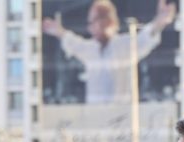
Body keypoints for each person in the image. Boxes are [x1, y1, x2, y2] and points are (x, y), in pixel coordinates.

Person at [42, 0, 176, 105]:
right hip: (95, 118)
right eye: (91, 22)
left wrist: (160, 21)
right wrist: (57, 31)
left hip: (122, 119)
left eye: (96, 20)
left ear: (110, 21)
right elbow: (72, 41)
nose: (92, 26)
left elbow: (146, 37)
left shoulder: (125, 45)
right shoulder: (90, 49)